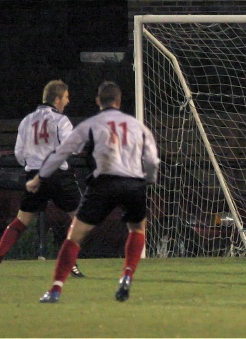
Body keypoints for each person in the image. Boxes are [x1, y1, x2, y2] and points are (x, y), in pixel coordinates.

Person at [28, 81, 160, 303]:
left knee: (75, 237)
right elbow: (152, 158)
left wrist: (38, 178)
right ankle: (127, 276)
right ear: (118, 102)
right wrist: (149, 179)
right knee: (137, 229)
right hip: (132, 184)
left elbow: (61, 153)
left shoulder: (91, 124)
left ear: (98, 101)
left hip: (104, 184)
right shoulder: (136, 125)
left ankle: (55, 289)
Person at [0, 80, 85, 278]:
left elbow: (19, 153)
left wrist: (32, 165)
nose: (68, 100)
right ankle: (69, 264)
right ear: (56, 99)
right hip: (58, 175)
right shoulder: (61, 120)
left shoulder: (26, 121)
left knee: (21, 221)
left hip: (34, 176)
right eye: (65, 97)